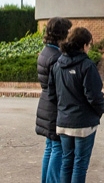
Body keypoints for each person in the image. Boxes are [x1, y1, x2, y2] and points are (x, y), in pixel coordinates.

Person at [47, 27, 104, 183]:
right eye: (89, 44)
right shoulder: (87, 66)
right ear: (84, 45)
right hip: (84, 124)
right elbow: (94, 96)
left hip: (63, 123)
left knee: (66, 162)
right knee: (80, 164)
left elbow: (51, 94)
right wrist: (100, 110)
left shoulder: (57, 65)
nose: (90, 47)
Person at [35, 17, 72, 183]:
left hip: (45, 104)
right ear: (61, 33)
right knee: (57, 147)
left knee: (50, 146)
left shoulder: (45, 52)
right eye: (68, 32)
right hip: (54, 106)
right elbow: (59, 86)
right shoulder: (57, 57)